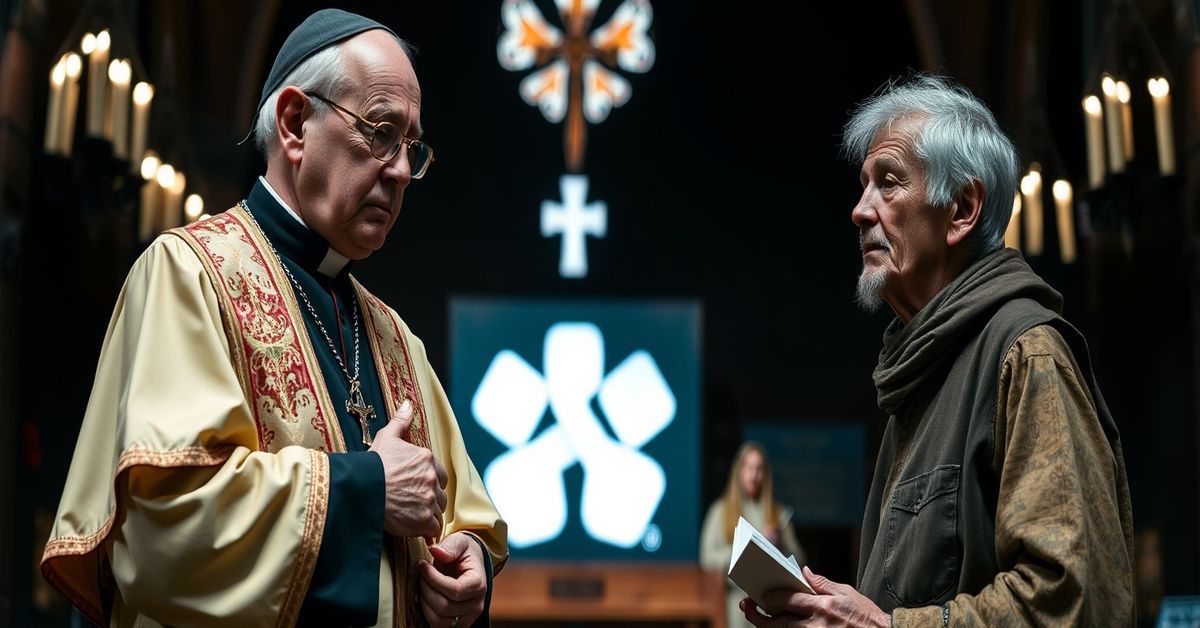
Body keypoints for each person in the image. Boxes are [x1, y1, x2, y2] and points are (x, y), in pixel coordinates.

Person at [40, 9, 507, 627]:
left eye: (410, 148)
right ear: (294, 124)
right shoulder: (190, 275)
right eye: (379, 132)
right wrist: (365, 489)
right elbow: (167, 535)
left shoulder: (395, 337)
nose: (398, 171)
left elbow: (467, 516)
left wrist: (468, 565)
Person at [742, 74, 1135, 627]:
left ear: (962, 210)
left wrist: (879, 626)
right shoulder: (925, 368)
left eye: (889, 182)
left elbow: (1071, 599)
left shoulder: (1027, 354)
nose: (859, 209)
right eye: (863, 184)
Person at [701, 442, 804, 628]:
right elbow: (707, 558)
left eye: (759, 468)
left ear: (765, 474)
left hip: (771, 606)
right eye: (749, 467)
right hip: (734, 603)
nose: (754, 474)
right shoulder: (720, 511)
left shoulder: (777, 514)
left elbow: (800, 560)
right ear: (739, 471)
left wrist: (779, 545)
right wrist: (747, 547)